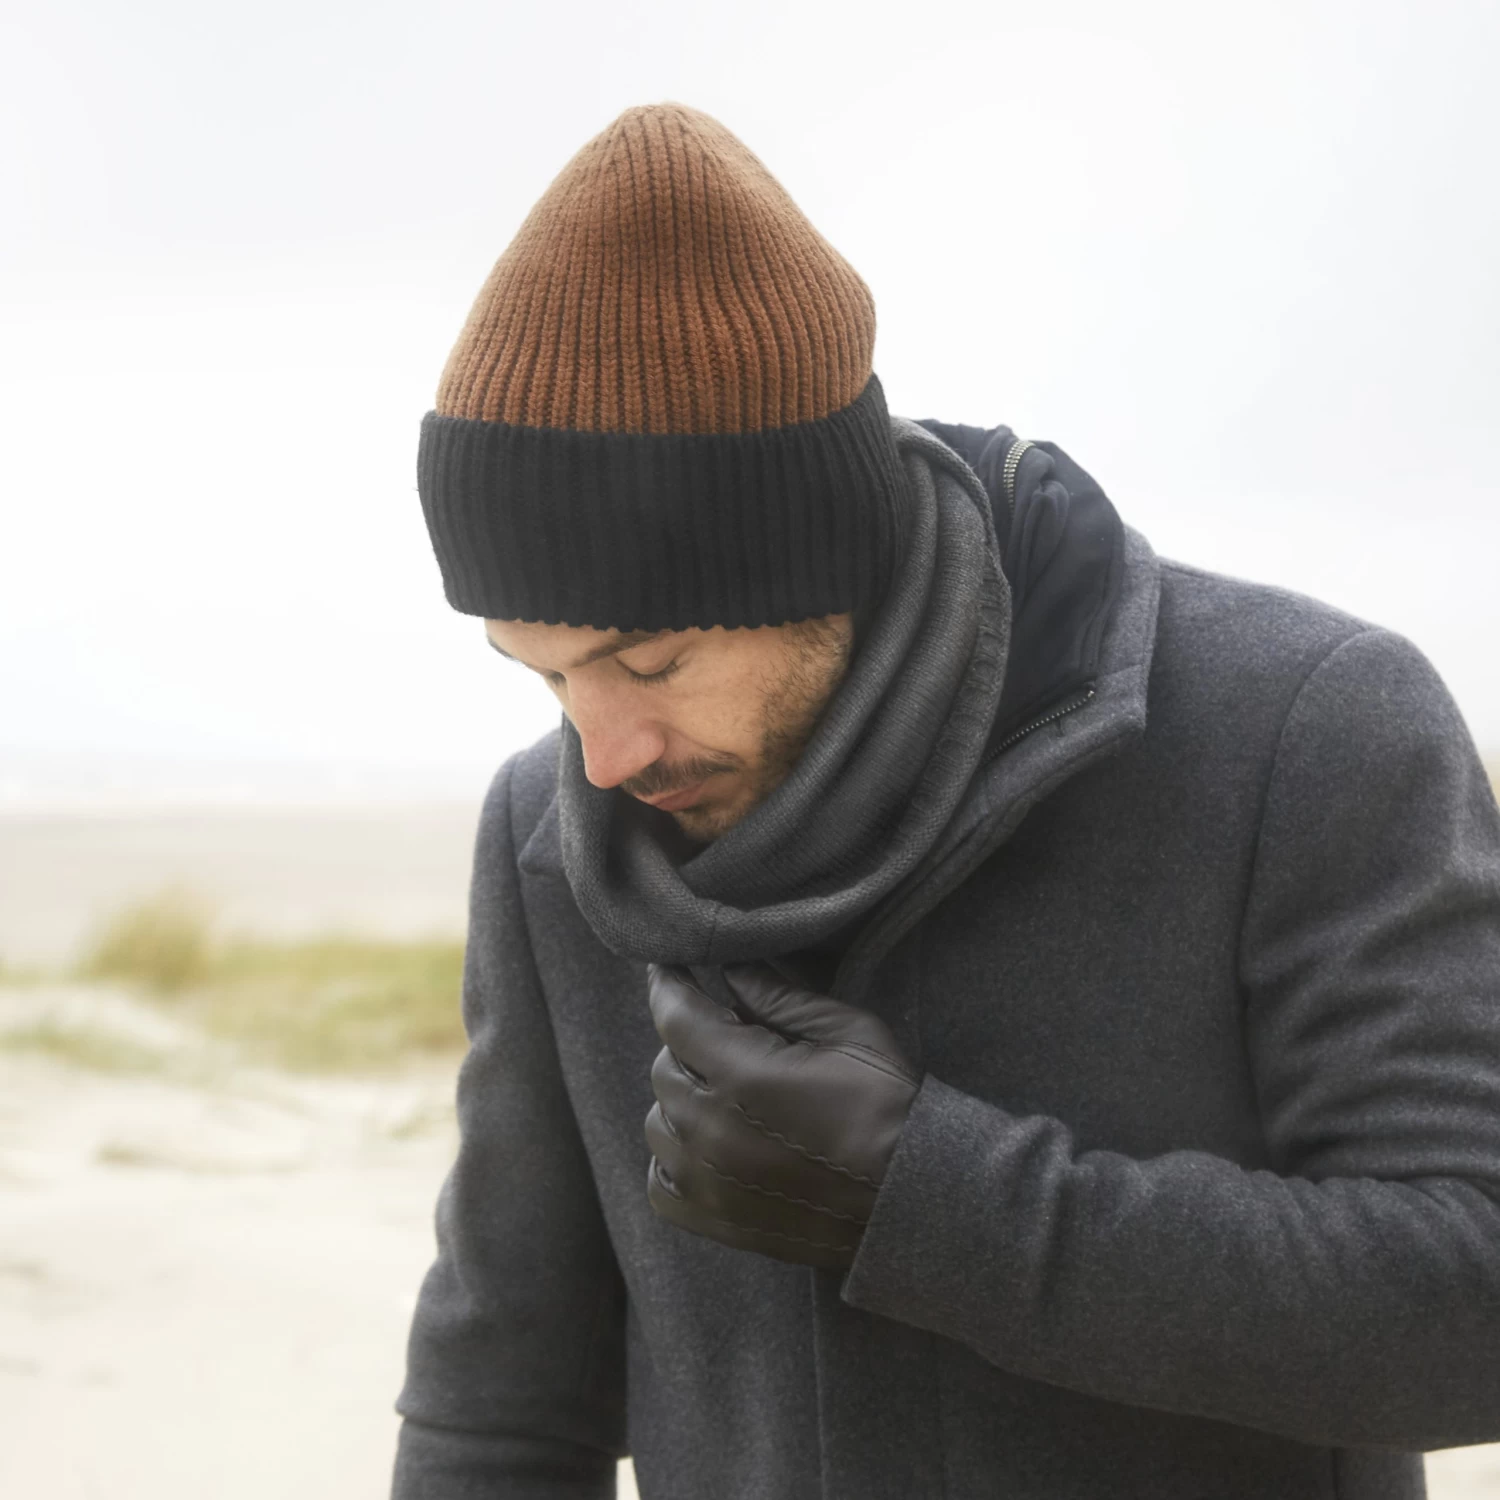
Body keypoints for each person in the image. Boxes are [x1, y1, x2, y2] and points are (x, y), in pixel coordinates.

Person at [390, 101, 1500, 1500]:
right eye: (547, 676)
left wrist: (927, 1200)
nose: (603, 754)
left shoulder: (1307, 728)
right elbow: (497, 1406)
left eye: (650, 660)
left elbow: (1475, 1298)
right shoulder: (549, 841)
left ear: (820, 562)